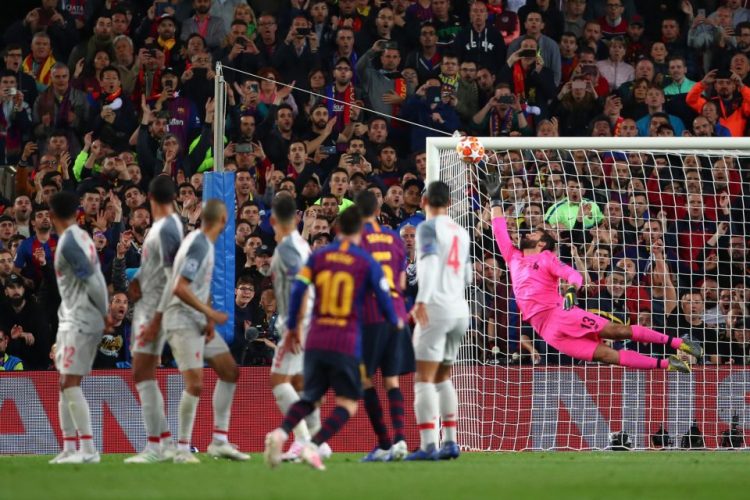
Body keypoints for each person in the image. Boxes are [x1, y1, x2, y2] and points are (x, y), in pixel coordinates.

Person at [486, 176, 702, 375]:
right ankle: (668, 364)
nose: (527, 233)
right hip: (545, 330)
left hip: (559, 313)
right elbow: (499, 231)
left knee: (617, 331)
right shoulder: (513, 257)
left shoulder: (546, 258)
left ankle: (680, 344)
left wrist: (572, 289)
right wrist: (495, 200)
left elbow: (572, 273)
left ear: (541, 243)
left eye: (533, 233)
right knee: (606, 356)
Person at [264, 206, 402, 471]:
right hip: (345, 340)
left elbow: (298, 290)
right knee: (347, 403)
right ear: (360, 232)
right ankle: (313, 445)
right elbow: (384, 297)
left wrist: (292, 326)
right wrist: (394, 322)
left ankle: (282, 433)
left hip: (316, 336)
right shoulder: (366, 261)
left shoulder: (318, 256)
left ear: (336, 230)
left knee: (310, 396)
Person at [163, 199, 249, 463]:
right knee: (195, 384)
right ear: (223, 220)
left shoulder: (204, 244)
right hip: (181, 320)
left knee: (229, 371)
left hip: (198, 321)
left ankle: (219, 441)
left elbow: (200, 286)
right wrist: (209, 313)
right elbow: (180, 287)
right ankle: (182, 449)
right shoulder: (199, 244)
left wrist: (208, 318)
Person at [407, 181, 471, 461]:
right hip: (460, 310)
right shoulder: (461, 231)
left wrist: (421, 299)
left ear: (423, 202)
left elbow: (431, 264)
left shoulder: (427, 228)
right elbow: (468, 275)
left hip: (436, 308)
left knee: (424, 379)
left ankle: (428, 446)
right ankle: (451, 442)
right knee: (443, 376)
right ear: (450, 203)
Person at [124, 176, 183, 463]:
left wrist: (158, 319)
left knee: (142, 372)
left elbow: (174, 275)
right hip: (150, 306)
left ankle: (156, 446)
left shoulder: (168, 228)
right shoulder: (162, 228)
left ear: (149, 197)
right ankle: (164, 443)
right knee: (142, 373)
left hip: (158, 309)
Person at [49, 191, 111, 465]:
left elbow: (94, 279)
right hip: (72, 316)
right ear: (76, 212)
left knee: (70, 382)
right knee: (64, 382)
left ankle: (88, 449)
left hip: (83, 317)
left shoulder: (70, 242)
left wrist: (104, 312)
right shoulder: (81, 236)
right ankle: (69, 447)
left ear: (52, 215)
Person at [267, 193, 328, 462]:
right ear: (297, 217)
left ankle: (303, 440)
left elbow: (298, 287)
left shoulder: (287, 248)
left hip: (299, 322)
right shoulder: (302, 245)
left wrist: (295, 326)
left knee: (278, 381)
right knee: (300, 382)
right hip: (311, 319)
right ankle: (318, 441)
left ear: (272, 220)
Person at [357, 190, 415, 462]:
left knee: (364, 378)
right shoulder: (394, 238)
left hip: (371, 315)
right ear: (378, 210)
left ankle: (383, 443)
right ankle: (400, 439)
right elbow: (402, 282)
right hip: (398, 314)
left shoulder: (358, 239)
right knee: (391, 380)